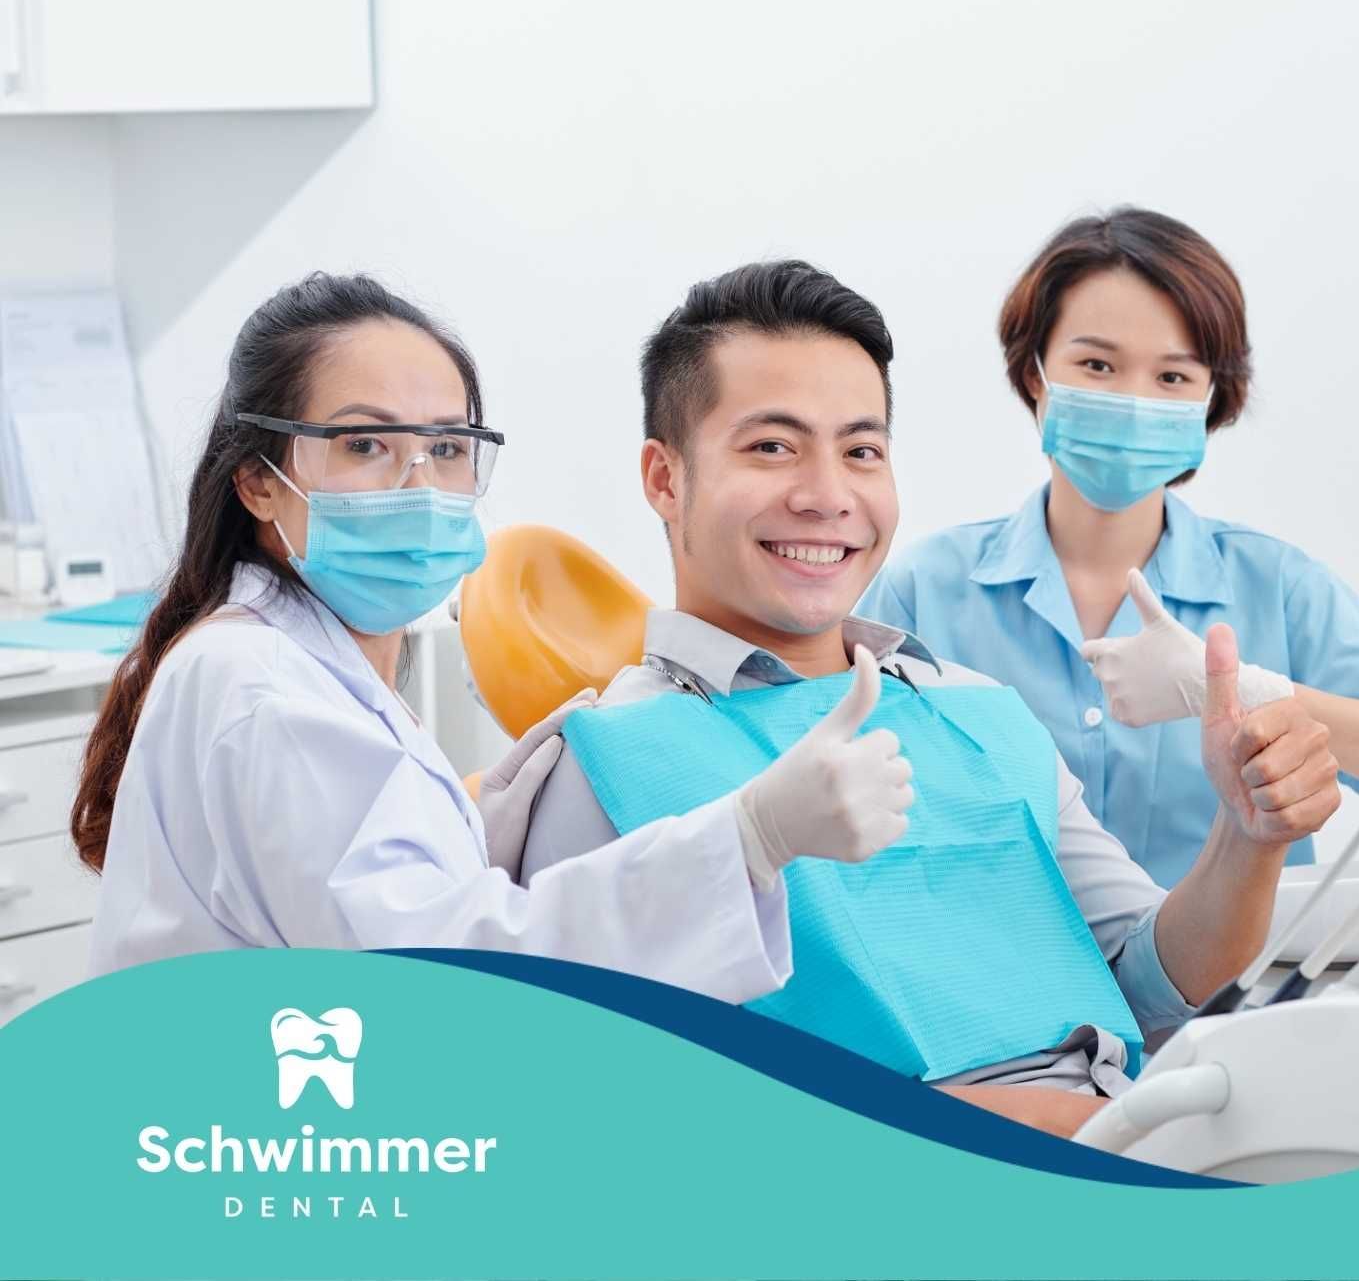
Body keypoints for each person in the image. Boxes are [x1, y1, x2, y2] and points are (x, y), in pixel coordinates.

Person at [521, 260, 1341, 1137]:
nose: (827, 496)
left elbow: (1148, 977)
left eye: (861, 451)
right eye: (772, 447)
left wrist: (1248, 836)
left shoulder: (977, 711)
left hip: (1131, 1137)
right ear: (665, 479)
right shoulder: (607, 758)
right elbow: (608, 1108)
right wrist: (994, 1124)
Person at [78, 272, 868, 1001]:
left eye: (448, 448)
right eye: (364, 445)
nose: (419, 485)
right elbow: (443, 978)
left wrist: (475, 824)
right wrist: (749, 836)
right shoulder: (267, 691)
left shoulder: (299, 659)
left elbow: (357, 898)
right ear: (257, 479)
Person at [858, 207, 1359, 887]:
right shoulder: (925, 591)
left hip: (1242, 961)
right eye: (1097, 364)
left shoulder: (1279, 588)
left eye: (1171, 378)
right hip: (995, 955)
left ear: (1211, 398)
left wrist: (1247, 692)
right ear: (1036, 373)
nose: (1133, 401)